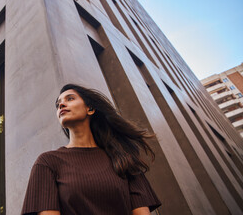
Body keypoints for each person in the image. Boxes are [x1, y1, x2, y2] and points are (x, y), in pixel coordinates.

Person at [21, 84, 161, 215]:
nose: (61, 105)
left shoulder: (124, 158)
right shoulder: (47, 162)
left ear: (90, 109)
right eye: (58, 105)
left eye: (70, 98)